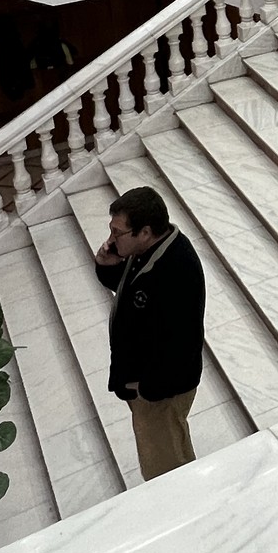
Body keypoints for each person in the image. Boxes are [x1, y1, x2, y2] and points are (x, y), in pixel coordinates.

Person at [93, 185, 205, 479]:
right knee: (164, 453)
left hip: (162, 393)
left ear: (144, 232)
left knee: (166, 471)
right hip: (147, 386)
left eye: (118, 232)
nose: (111, 239)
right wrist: (106, 266)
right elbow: (133, 292)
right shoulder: (146, 250)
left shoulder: (177, 270)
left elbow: (181, 345)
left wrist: (147, 390)